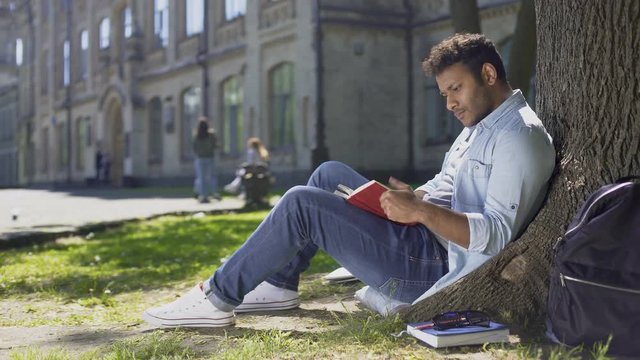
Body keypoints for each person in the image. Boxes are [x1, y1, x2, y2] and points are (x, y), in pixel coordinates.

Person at [143, 33, 556, 328]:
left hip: (432, 268)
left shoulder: (519, 137)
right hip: (426, 241)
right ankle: (280, 283)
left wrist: (421, 212)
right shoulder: (480, 125)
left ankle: (216, 298)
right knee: (329, 174)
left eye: (455, 90)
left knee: (301, 203)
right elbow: (450, 182)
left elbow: (497, 236)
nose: (449, 103)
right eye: (443, 93)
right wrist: (413, 198)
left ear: (488, 74)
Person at [192, 117, 220, 203]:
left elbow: (194, 147)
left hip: (200, 158)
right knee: (211, 176)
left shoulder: (196, 135)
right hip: (209, 157)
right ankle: (214, 193)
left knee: (201, 177)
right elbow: (216, 145)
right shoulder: (211, 134)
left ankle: (203, 196)